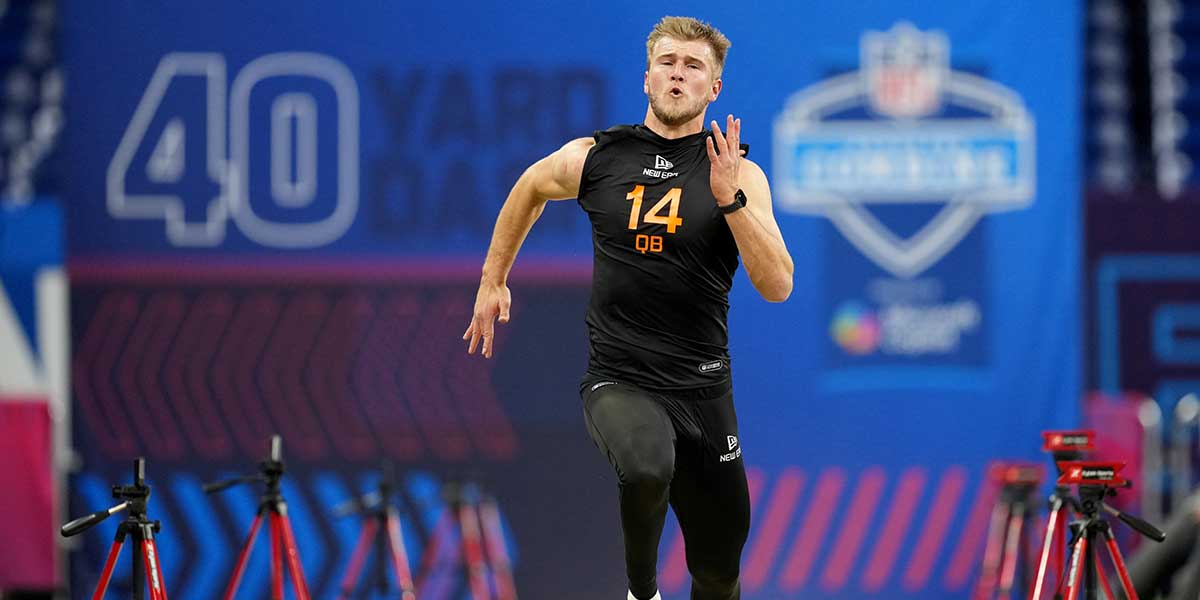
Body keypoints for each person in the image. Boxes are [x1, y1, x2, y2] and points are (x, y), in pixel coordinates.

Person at [463, 16, 793, 600]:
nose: (677, 74)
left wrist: (731, 201)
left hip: (703, 391)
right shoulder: (598, 157)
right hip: (619, 378)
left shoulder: (738, 174)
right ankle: (642, 594)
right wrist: (494, 279)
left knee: (718, 571)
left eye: (694, 67)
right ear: (646, 78)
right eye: (667, 62)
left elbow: (777, 285)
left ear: (714, 90)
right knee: (645, 467)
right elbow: (531, 186)